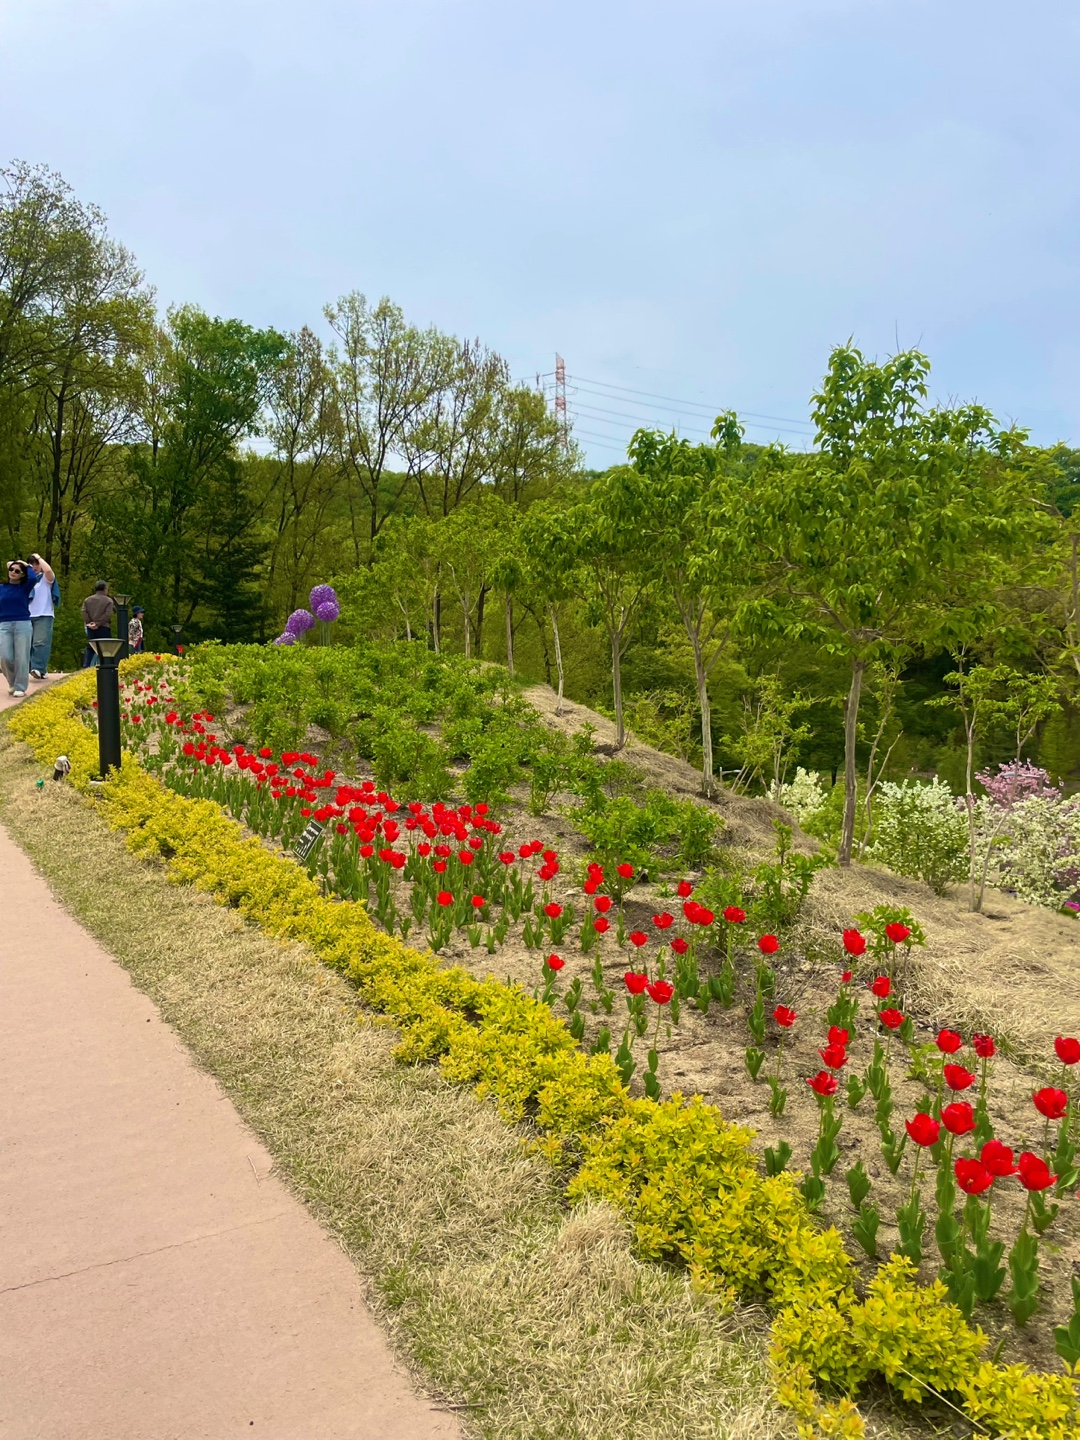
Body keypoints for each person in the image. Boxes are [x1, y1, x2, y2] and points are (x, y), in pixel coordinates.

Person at [1, 555, 46, 697]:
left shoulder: (25, 587)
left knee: (22, 656)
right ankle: (13, 682)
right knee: (5, 657)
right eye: (12, 569)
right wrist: (14, 564)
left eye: (17, 571)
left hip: (22, 623)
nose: (13, 572)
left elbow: (32, 577)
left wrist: (24, 564)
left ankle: (20, 686)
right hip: (4, 625)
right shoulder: (2, 588)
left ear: (22, 575)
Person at [28, 556, 59, 679]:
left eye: (36, 564)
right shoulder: (27, 580)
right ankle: (37, 669)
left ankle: (38, 668)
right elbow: (9, 565)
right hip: (27, 615)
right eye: (31, 564)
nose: (34, 567)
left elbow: (48, 571)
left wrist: (38, 557)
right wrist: (25, 567)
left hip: (44, 614)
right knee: (27, 644)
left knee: (40, 642)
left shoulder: (45, 579)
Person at [81, 580, 115, 667]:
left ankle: (86, 666)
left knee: (90, 647)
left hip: (90, 628)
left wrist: (90, 623)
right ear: (105, 589)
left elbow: (84, 612)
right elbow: (107, 615)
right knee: (106, 649)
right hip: (104, 627)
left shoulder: (87, 600)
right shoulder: (109, 601)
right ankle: (105, 666)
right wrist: (98, 624)